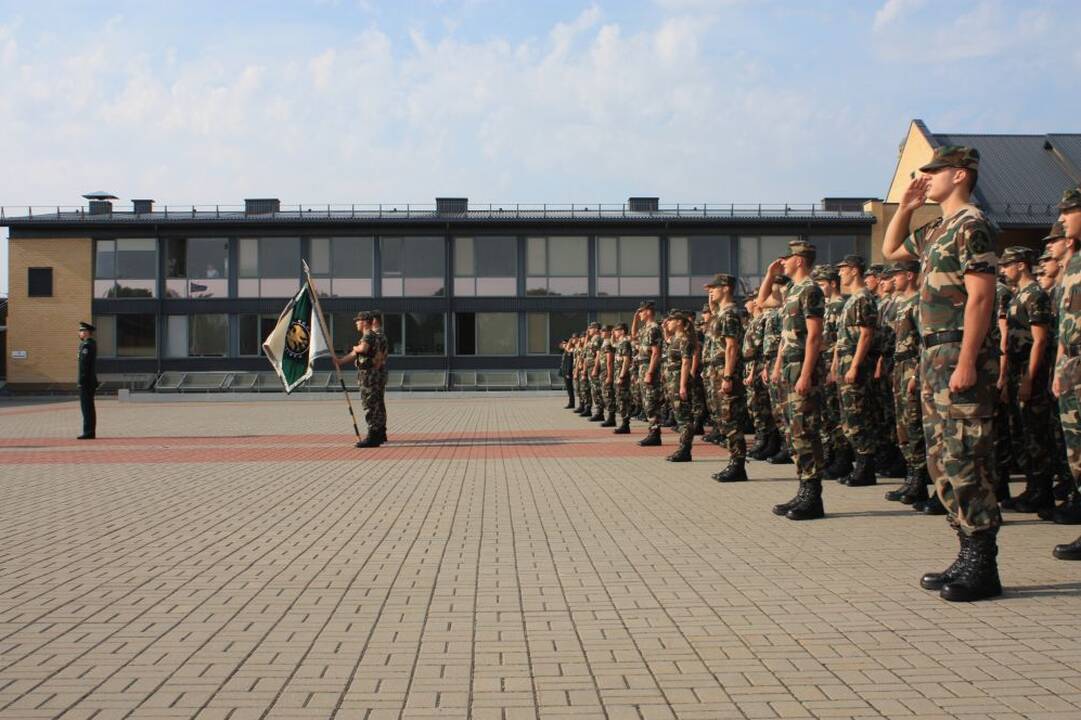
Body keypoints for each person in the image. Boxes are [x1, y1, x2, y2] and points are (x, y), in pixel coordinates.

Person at [883, 145, 1003, 601]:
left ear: (958, 175)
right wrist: (908, 207)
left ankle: (983, 563)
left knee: (967, 455)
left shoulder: (973, 226)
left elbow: (980, 299)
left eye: (933, 173)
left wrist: (969, 359)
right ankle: (965, 549)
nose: (926, 178)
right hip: (934, 357)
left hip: (958, 352)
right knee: (943, 458)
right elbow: (893, 248)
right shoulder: (938, 229)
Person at [760, 240, 826, 520]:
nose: (783, 262)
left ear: (800, 260)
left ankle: (813, 496)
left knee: (805, 431)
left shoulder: (810, 290)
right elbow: (763, 302)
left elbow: (814, 336)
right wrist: (768, 274)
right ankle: (803, 489)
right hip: (787, 366)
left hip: (802, 367)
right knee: (792, 431)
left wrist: (807, 373)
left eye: (788, 258)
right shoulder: (792, 291)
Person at [1000, 247, 1055, 515]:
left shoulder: (1035, 295)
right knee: (1021, 432)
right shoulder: (1016, 296)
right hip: (1014, 368)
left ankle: (1041, 491)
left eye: (1007, 265)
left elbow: (1040, 339)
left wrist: (1029, 379)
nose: (1003, 270)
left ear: (1021, 265)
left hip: (1029, 369)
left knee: (1036, 433)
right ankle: (1032, 488)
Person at [884, 260, 931, 505]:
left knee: (914, 423)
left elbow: (925, 342)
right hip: (899, 365)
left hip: (912, 365)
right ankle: (912, 476)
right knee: (903, 423)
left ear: (910, 276)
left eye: (897, 275)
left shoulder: (918, 303)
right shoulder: (901, 304)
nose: (893, 279)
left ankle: (920, 479)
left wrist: (915, 374)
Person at [830, 255, 878, 486]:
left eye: (843, 269)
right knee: (848, 417)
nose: (840, 274)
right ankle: (858, 464)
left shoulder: (863, 299)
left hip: (854, 364)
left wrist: (855, 365)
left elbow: (866, 334)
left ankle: (865, 468)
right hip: (845, 361)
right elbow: (842, 338)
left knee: (858, 416)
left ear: (854, 271)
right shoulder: (852, 300)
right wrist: (836, 364)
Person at [1052, 187, 1081, 560]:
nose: (1061, 218)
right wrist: (1060, 367)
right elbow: (1065, 324)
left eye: (1069, 211)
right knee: (1076, 452)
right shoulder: (1073, 262)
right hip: (1073, 365)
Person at [706, 274, 749, 482]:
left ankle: (738, 464)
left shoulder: (730, 314)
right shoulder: (721, 313)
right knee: (724, 418)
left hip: (726, 371)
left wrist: (728, 376)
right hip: (717, 371)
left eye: (714, 288)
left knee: (731, 418)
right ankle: (734, 461)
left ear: (726, 288)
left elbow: (731, 347)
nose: (710, 291)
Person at [333, 311, 384, 448]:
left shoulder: (368, 335)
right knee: (375, 404)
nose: (356, 322)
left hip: (369, 376)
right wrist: (340, 361)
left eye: (358, 320)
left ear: (365, 322)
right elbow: (355, 354)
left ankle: (372, 436)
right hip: (370, 375)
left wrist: (355, 347)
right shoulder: (369, 336)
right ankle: (378, 433)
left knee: (370, 404)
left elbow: (362, 349)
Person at [661, 310, 696, 462]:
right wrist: (664, 329)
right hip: (672, 381)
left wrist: (682, 386)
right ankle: (682, 448)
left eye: (671, 320)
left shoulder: (685, 340)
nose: (668, 322)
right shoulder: (675, 338)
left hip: (678, 381)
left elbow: (686, 362)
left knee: (683, 416)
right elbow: (667, 340)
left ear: (680, 322)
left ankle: (685, 449)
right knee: (678, 414)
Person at [633, 301, 664, 446]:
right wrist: (635, 319)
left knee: (651, 401)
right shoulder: (645, 329)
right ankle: (652, 431)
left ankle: (655, 433)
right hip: (642, 366)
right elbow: (633, 336)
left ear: (648, 312)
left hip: (649, 367)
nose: (639, 314)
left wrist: (650, 372)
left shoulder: (654, 329)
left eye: (641, 311)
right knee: (646, 401)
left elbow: (656, 353)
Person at [76, 321, 98, 440]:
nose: (79, 333)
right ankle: (89, 431)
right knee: (89, 407)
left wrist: (81, 381)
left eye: (81, 331)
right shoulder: (91, 344)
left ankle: (88, 432)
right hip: (90, 381)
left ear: (86, 333)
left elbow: (84, 366)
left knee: (87, 407)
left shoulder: (86, 345)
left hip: (86, 382)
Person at [612, 323, 634, 434]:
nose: (614, 332)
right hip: (618, 375)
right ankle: (624, 422)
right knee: (620, 399)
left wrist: (621, 375)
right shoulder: (619, 343)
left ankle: (625, 424)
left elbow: (626, 360)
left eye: (616, 330)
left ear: (622, 331)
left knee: (623, 400)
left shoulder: (625, 343)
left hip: (622, 377)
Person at [559, 337, 575, 408]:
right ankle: (571, 402)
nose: (563, 345)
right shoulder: (565, 351)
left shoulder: (570, 352)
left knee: (570, 388)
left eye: (565, 343)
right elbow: (559, 348)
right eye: (563, 344)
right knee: (568, 388)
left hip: (568, 373)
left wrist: (568, 373)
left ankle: (571, 403)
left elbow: (569, 363)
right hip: (565, 372)